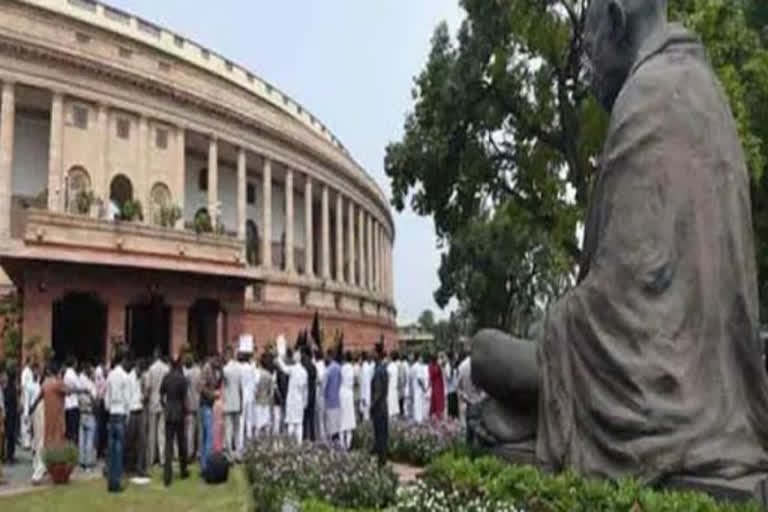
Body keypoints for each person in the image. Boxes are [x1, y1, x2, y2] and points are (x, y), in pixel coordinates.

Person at [104, 350, 131, 493]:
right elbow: (127, 399)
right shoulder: (124, 377)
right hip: (120, 412)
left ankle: (110, 481)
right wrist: (127, 414)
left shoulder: (110, 375)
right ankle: (116, 482)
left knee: (111, 449)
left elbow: (106, 397)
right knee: (119, 450)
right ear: (123, 361)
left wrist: (109, 408)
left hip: (112, 412)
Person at [160, 356, 189, 487]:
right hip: (179, 412)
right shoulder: (182, 379)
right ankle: (183, 470)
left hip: (169, 411)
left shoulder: (166, 377)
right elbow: (184, 398)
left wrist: (164, 406)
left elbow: (161, 395)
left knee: (168, 444)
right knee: (182, 442)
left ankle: (167, 475)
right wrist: (185, 410)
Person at [274, 340, 308, 444]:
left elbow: (283, 368)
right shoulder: (304, 372)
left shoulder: (293, 369)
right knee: (299, 424)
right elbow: (305, 389)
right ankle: (299, 443)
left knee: (291, 424)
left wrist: (279, 358)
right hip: (299, 400)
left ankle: (290, 444)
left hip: (291, 399)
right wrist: (305, 401)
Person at [145, 349, 169, 467]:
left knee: (152, 432)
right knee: (162, 432)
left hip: (153, 401)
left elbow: (148, 387)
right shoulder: (166, 368)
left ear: (155, 356)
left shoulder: (151, 369)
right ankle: (162, 458)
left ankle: (152, 458)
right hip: (163, 402)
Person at [199, 353, 221, 473]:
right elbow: (201, 387)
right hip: (205, 405)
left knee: (207, 436)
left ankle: (204, 464)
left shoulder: (214, 369)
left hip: (209, 404)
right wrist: (212, 394)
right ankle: (206, 465)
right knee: (209, 436)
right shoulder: (207, 368)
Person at [125, 357, 147, 477]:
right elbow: (127, 398)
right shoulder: (129, 378)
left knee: (141, 441)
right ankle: (128, 467)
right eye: (141, 370)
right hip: (132, 412)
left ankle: (140, 468)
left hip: (139, 410)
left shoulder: (139, 379)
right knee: (130, 441)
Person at [457, 350, 484, 445]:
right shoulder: (479, 366)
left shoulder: (462, 366)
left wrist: (465, 397)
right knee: (479, 431)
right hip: (478, 402)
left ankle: (468, 453)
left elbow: (458, 387)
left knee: (468, 433)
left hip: (467, 402)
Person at [370, 341, 389, 467]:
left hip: (379, 408)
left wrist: (372, 407)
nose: (372, 354)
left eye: (373, 352)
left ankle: (381, 461)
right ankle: (382, 458)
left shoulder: (378, 371)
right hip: (384, 406)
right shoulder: (383, 369)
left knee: (380, 434)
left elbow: (377, 392)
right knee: (383, 433)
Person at [221, 347, 242, 460]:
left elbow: (223, 384)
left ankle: (229, 452)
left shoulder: (225, 369)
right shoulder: (239, 368)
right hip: (237, 401)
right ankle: (237, 451)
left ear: (227, 355)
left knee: (228, 428)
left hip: (228, 401)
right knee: (237, 429)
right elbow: (240, 386)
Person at [77, 363, 98, 471]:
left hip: (81, 412)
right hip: (90, 413)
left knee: (82, 439)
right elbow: (95, 401)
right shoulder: (91, 385)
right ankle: (88, 463)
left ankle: (81, 461)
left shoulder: (80, 382)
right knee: (89, 439)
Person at [238, 350, 257, 453]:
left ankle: (240, 445)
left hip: (242, 395)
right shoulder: (251, 368)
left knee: (241, 421)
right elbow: (256, 381)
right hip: (250, 396)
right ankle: (249, 443)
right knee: (249, 421)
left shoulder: (239, 368)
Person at [183, 354, 201, 460]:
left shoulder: (185, 373)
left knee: (190, 430)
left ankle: (189, 452)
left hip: (189, 403)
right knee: (198, 430)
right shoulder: (198, 371)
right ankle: (198, 452)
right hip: (197, 402)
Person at [28, 365, 45, 484]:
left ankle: (39, 467)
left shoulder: (40, 384)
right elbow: (30, 401)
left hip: (39, 411)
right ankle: (37, 469)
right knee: (37, 440)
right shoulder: (30, 385)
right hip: (36, 412)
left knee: (39, 441)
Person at [253, 352, 275, 437]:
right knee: (266, 424)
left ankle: (256, 442)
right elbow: (271, 391)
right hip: (266, 402)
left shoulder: (257, 374)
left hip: (258, 401)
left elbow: (255, 389)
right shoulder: (270, 375)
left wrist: (256, 396)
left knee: (258, 424)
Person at [324, 349, 342, 444]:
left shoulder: (329, 369)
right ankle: (337, 441)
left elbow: (324, 385)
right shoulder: (339, 368)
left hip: (329, 401)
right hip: (337, 400)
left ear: (329, 356)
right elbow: (340, 382)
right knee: (336, 424)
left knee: (330, 425)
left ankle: (331, 444)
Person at [339, 352, 356, 449]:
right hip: (349, 394)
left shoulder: (343, 368)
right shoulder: (352, 368)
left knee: (342, 420)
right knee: (349, 421)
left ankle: (342, 443)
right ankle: (348, 444)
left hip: (342, 393)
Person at [301, 346, 317, 442]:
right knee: (311, 418)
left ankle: (304, 437)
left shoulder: (303, 366)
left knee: (303, 418)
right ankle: (312, 437)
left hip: (305, 394)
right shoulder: (313, 366)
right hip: (312, 393)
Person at [63, 357, 80, 443]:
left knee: (68, 430)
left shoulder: (65, 374)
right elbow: (79, 386)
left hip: (66, 405)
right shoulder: (72, 374)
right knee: (74, 431)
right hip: (73, 404)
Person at [3, 365, 18, 463]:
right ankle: (10, 455)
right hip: (12, 413)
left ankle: (8, 455)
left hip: (8, 412)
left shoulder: (6, 388)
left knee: (8, 435)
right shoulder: (13, 388)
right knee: (11, 435)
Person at [313, 349, 327, 441]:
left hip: (319, 393)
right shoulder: (324, 366)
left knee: (319, 418)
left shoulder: (318, 366)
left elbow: (320, 379)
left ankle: (321, 437)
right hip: (324, 394)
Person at [20, 358, 34, 450]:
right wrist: (23, 398)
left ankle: (27, 442)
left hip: (29, 397)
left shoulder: (29, 371)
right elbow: (23, 385)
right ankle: (25, 443)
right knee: (25, 420)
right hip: (26, 397)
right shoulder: (26, 372)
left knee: (28, 421)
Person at [428, 354, 445, 420]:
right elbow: (433, 374)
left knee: (437, 398)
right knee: (437, 398)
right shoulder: (433, 366)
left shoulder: (434, 365)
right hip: (436, 383)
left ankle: (436, 413)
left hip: (438, 383)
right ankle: (437, 413)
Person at [358, 352, 372, 423]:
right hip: (364, 395)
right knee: (364, 415)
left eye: (359, 359)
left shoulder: (365, 368)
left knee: (366, 416)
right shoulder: (363, 367)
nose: (358, 360)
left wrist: (364, 397)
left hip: (365, 396)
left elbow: (365, 384)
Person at [445, 353, 459, 419]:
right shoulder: (448, 366)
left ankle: (454, 417)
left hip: (454, 388)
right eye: (455, 358)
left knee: (455, 405)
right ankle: (451, 418)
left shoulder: (454, 365)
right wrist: (452, 372)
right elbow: (448, 377)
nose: (456, 360)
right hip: (450, 389)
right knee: (451, 405)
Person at [386, 352, 400, 419]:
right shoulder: (396, 366)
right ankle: (394, 415)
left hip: (390, 387)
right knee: (394, 401)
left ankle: (390, 415)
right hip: (395, 386)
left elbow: (387, 377)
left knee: (390, 401)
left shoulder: (390, 367)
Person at [398, 353, 409, 419]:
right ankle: (403, 412)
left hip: (403, 384)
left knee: (402, 399)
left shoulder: (403, 364)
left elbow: (403, 376)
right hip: (404, 384)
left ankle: (402, 412)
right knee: (403, 399)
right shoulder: (405, 365)